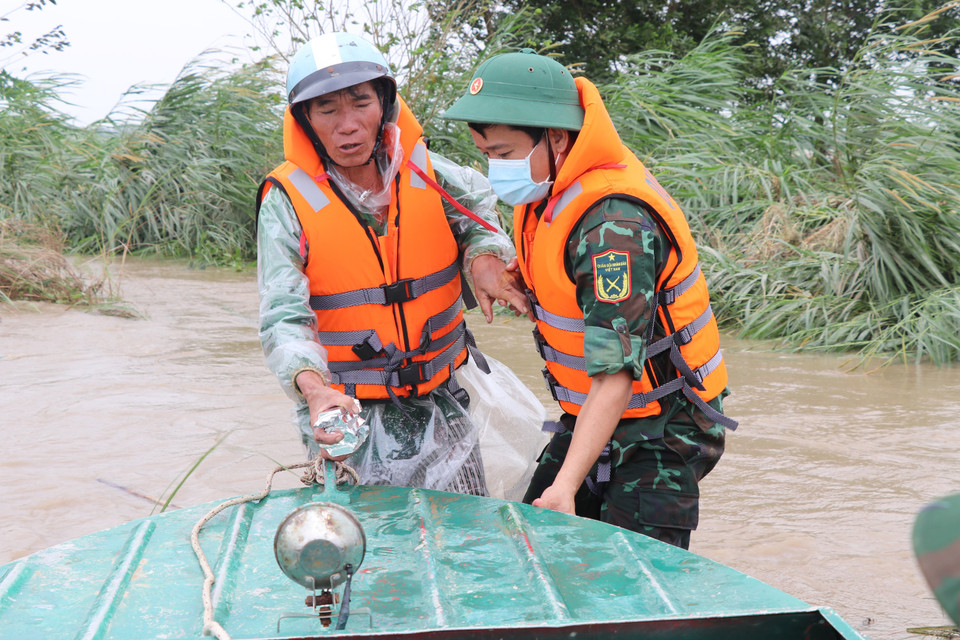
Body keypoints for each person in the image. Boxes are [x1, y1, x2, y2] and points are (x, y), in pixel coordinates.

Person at [442, 49, 737, 547]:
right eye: (486, 155)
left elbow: (617, 376)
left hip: (662, 430)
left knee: (634, 585)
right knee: (531, 542)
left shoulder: (612, 228)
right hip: (595, 415)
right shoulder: (553, 192)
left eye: (505, 154)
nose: (494, 171)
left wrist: (566, 486)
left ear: (556, 137)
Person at [256, 32, 529, 496]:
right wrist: (313, 388)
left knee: (464, 539)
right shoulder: (287, 201)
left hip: (442, 398)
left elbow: (478, 208)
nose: (348, 125)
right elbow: (282, 315)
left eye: (360, 103)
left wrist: (484, 255)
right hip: (348, 412)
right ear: (304, 119)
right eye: (327, 109)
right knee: (370, 550)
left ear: (384, 103)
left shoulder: (425, 170)